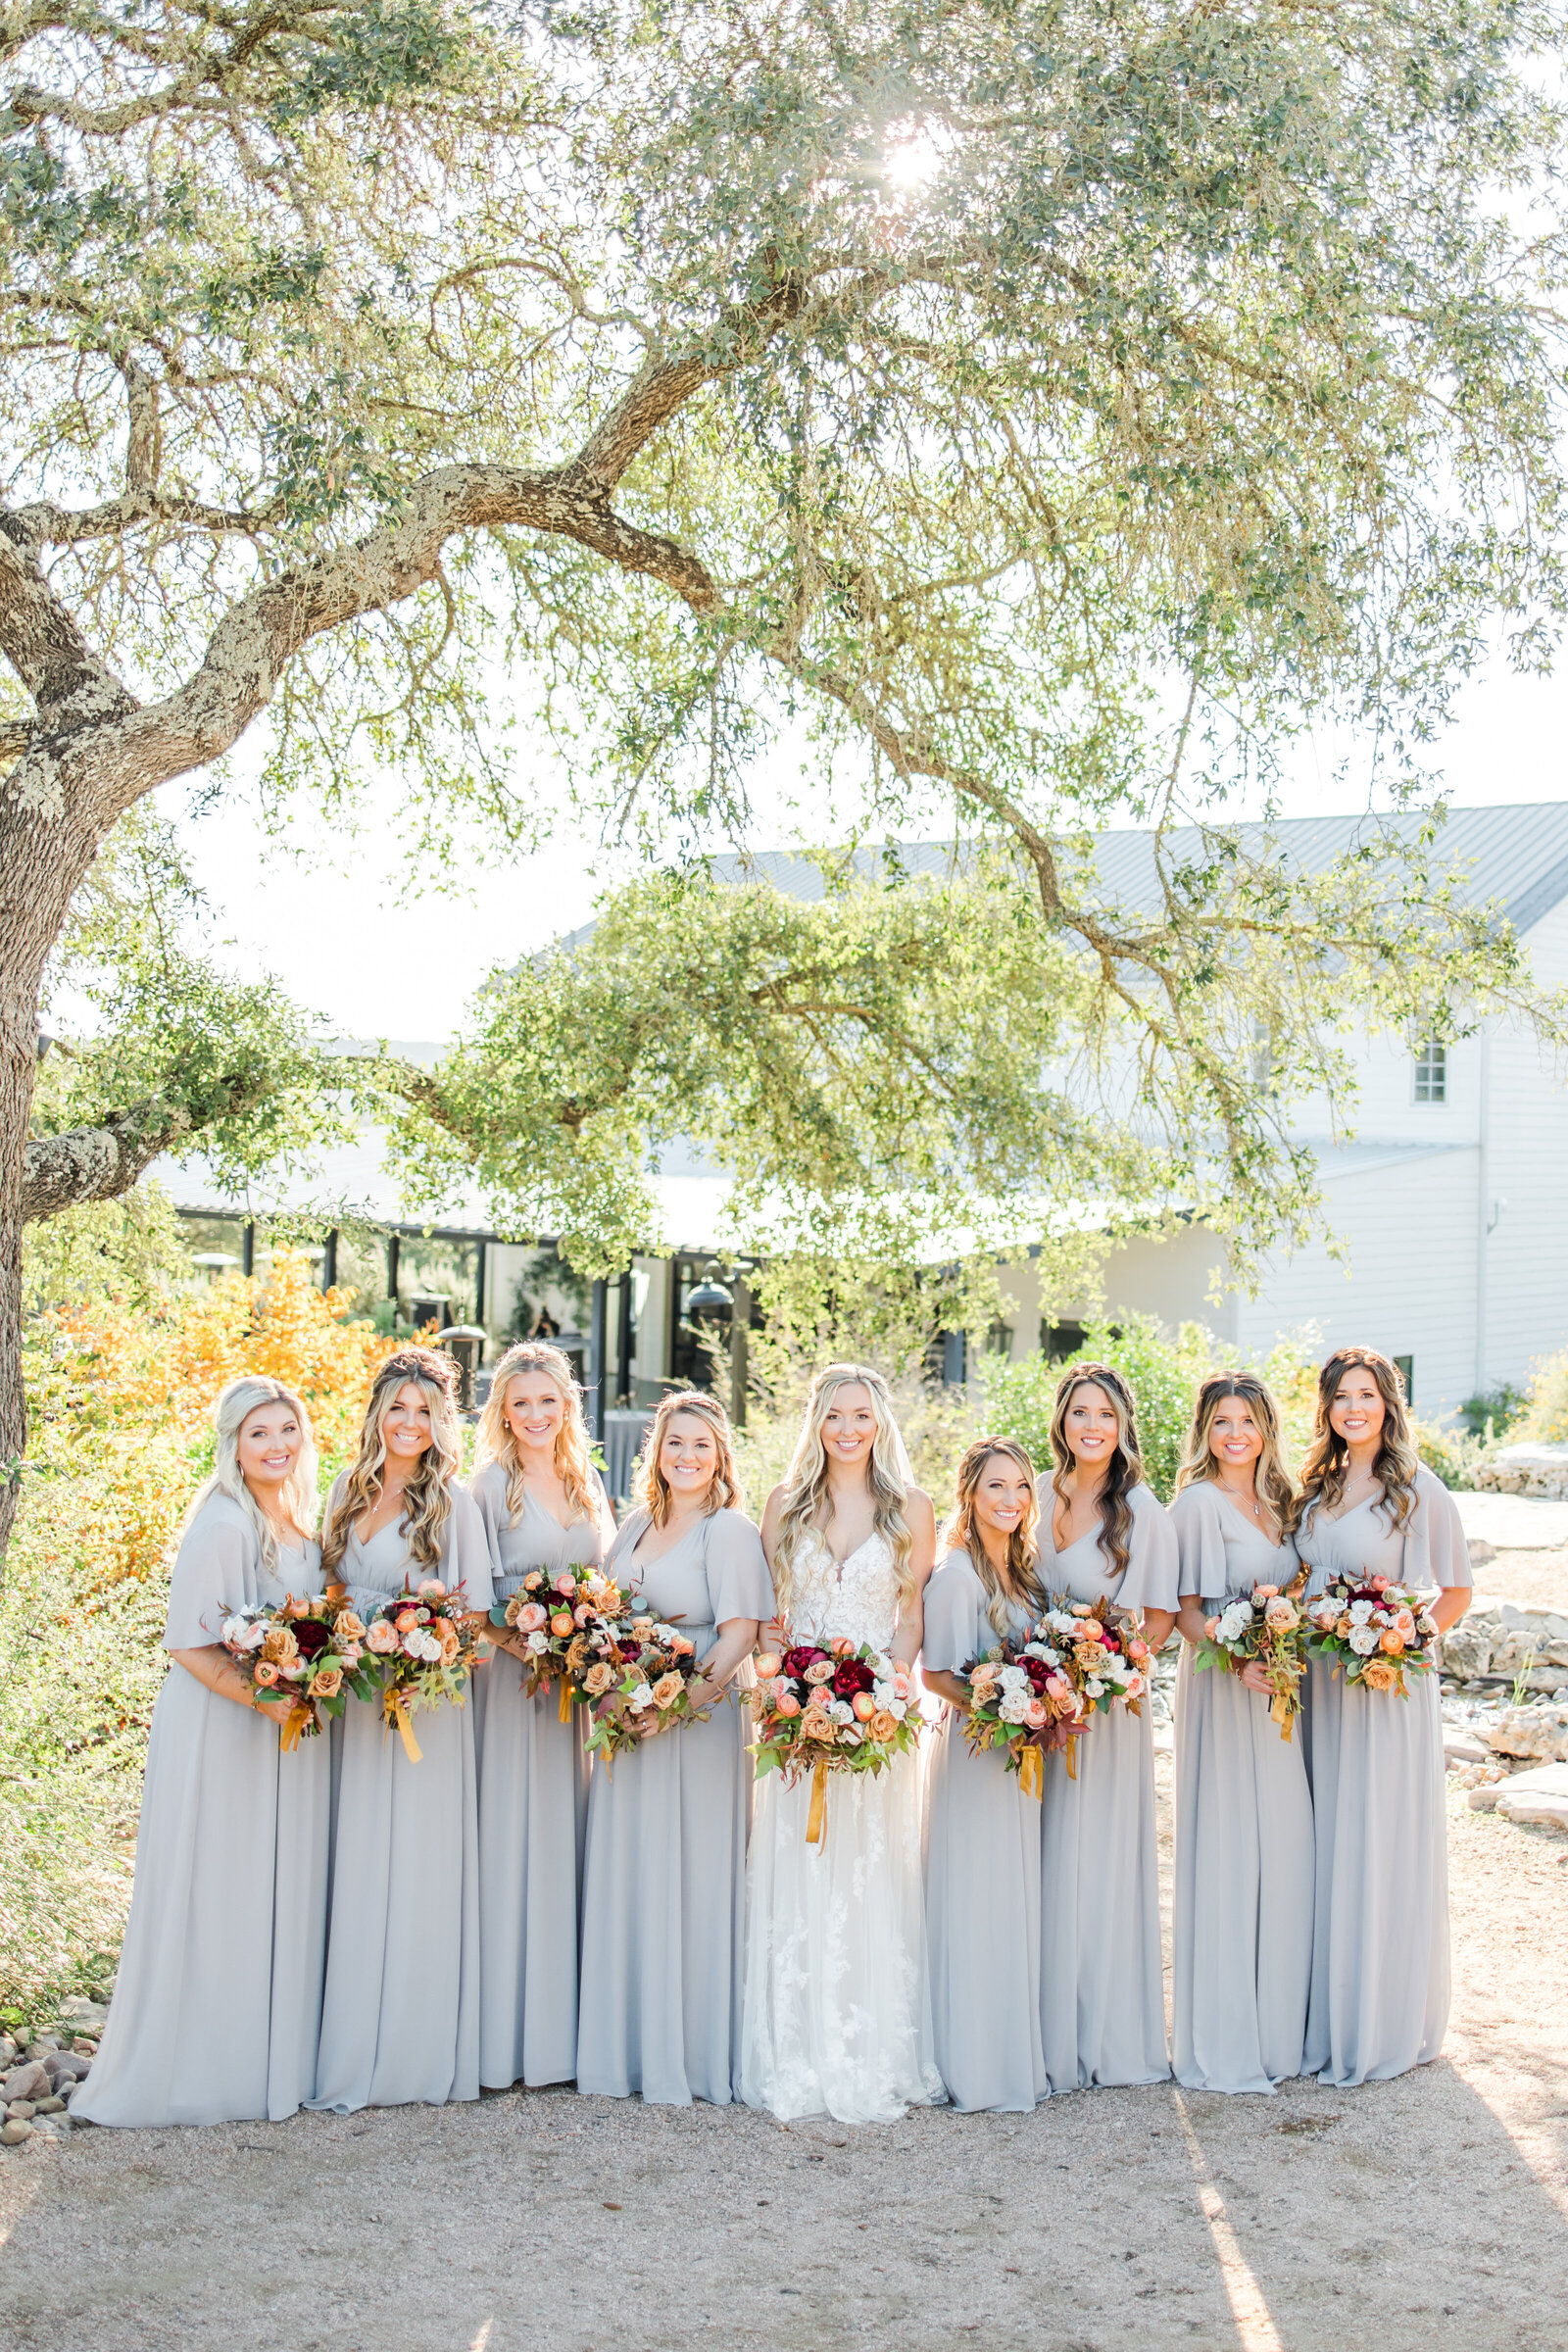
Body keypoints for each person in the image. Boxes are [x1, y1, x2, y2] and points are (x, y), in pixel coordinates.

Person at [75, 1378, 330, 2127]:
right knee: (219, 1881)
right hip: (224, 1723)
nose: (277, 1445)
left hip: (274, 1724)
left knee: (260, 1883)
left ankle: (257, 2053)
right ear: (232, 1445)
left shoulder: (291, 1516)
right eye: (259, 1433)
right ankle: (198, 2063)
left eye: (288, 1429)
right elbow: (189, 1642)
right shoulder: (224, 1523)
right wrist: (271, 1698)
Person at [740, 1363, 945, 2124]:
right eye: (834, 1416)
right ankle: (794, 2042)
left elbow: (912, 1617)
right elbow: (769, 1617)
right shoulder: (785, 1505)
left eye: (861, 1416)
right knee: (800, 1866)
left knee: (869, 1871)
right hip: (796, 1719)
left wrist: (882, 1695)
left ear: (881, 1423)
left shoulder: (912, 1508)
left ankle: (869, 2043)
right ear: (816, 1423)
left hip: (878, 1722)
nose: (848, 1430)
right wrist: (783, 1689)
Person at [309, 1348, 494, 2112]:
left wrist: (424, 1646)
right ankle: (350, 2034)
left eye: (425, 1411)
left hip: (425, 1703)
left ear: (442, 1422)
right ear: (376, 1413)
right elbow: (322, 1587)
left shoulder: (453, 1503)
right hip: (356, 1697)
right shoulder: (346, 1492)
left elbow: (476, 1618)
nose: (409, 1423)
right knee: (357, 1854)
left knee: (417, 1858)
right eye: (398, 1408)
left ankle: (416, 2049)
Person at [575, 1391, 772, 2105]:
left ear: (721, 1456)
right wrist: (608, 1685)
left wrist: (677, 1702)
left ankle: (683, 2054)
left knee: (687, 1872)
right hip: (626, 1722)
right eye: (674, 1443)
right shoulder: (631, 1527)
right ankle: (622, 2049)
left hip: (694, 1724)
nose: (686, 1457)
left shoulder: (728, 1531)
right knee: (630, 1870)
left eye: (701, 1445)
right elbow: (602, 1619)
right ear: (655, 1452)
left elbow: (740, 1635)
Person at [1296, 1347, 1471, 2085]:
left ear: (1388, 1404)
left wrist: (1397, 1642)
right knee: (1328, 1837)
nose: (1353, 1408)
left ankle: (1386, 2015)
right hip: (1320, 1691)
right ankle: (1328, 2008)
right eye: (1341, 1396)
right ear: (1328, 1409)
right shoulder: (1317, 1484)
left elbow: (1455, 1593)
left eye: (1366, 1395)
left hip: (1386, 1690)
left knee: (1380, 1837)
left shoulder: (1416, 1487)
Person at [469, 1340, 616, 2091]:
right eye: (519, 1402)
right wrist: (536, 1652)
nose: (534, 1415)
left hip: (573, 1693)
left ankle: (557, 2035)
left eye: (547, 1401)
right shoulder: (489, 1488)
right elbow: (474, 1601)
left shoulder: (585, 1479)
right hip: (509, 1684)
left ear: (568, 1406)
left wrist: (588, 1651)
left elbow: (610, 1581)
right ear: (502, 1409)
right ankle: (499, 2038)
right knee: (510, 1833)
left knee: (562, 1835)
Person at [1170, 1374, 1314, 2094]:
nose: (1235, 1433)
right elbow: (1185, 1613)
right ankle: (1227, 2034)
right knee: (1232, 1852)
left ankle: (1280, 2029)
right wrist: (1236, 1659)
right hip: (1227, 1694)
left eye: (1248, 1420)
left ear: (1266, 1429)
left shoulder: (1283, 1505)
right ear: (1205, 1430)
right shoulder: (1197, 1505)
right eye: (1222, 1420)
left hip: (1281, 1695)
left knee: (1286, 1850)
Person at [1036, 1362, 1178, 2092]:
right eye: (1080, 1412)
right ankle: (1044, 2023)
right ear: (1061, 1421)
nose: (1092, 1426)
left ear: (1123, 1427)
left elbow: (1157, 1619)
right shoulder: (1031, 1493)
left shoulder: (1144, 1510)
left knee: (1100, 1858)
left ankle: (1103, 2033)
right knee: (1046, 1856)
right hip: (1033, 1711)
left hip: (1106, 1711)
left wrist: (1099, 1672)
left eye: (1106, 1415)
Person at [921, 1437, 1051, 2113]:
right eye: (996, 1486)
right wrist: (1003, 1703)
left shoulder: (1024, 1572)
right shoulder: (957, 1574)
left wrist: (1044, 1699)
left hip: (1019, 1756)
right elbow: (936, 1673)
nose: (1011, 1500)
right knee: (975, 1897)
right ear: (970, 1493)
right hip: (975, 1754)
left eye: (1022, 1487)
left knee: (1010, 1896)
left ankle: (1008, 2051)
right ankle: (968, 2062)